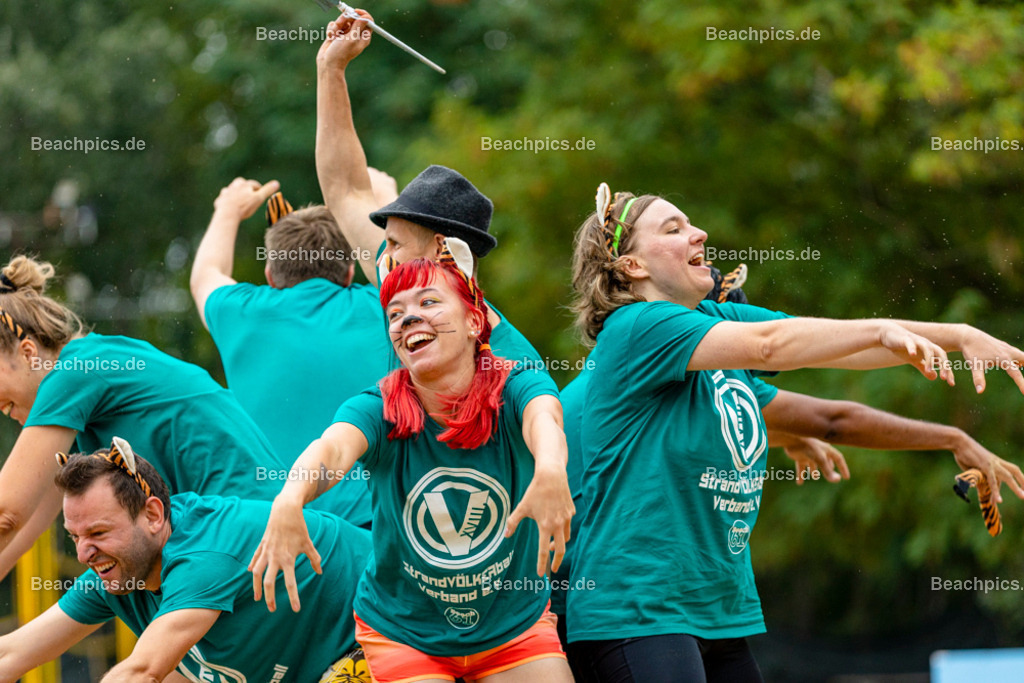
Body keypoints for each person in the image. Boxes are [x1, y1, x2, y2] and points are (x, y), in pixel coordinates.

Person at [564, 184, 1024, 682]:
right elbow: (771, 347)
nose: (699, 234)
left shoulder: (712, 319)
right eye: (673, 229)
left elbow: (831, 346)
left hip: (713, 611)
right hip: (638, 610)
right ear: (633, 266)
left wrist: (959, 336)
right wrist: (881, 331)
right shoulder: (638, 325)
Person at [250, 253, 575, 683]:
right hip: (405, 632)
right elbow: (331, 450)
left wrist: (551, 468)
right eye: (395, 314)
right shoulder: (379, 406)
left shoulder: (516, 383)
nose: (407, 319)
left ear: (475, 322)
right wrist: (289, 500)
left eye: (428, 303)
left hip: (512, 628)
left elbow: (544, 417)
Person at [0, 255, 289, 579]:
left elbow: (6, 513)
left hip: (248, 530)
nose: (5, 410)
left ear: (28, 352)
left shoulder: (73, 372)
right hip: (255, 524)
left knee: (105, 588)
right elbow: (27, 522)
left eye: (5, 401)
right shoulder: (93, 363)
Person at [0, 438, 372, 683]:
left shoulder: (204, 556)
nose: (83, 553)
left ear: (152, 515)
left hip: (399, 628)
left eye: (97, 533)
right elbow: (14, 651)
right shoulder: (120, 570)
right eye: (75, 537)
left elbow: (141, 672)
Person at [313, 8, 543, 370]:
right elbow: (344, 189)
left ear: (442, 249)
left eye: (395, 244)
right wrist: (331, 69)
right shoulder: (401, 283)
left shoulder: (512, 363)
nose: (383, 257)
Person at [190, 174, 398, 526]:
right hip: (374, 527)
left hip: (274, 529)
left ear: (271, 274)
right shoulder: (385, 307)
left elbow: (205, 275)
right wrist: (384, 202)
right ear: (349, 272)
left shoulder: (242, 312)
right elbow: (400, 269)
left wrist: (227, 210)